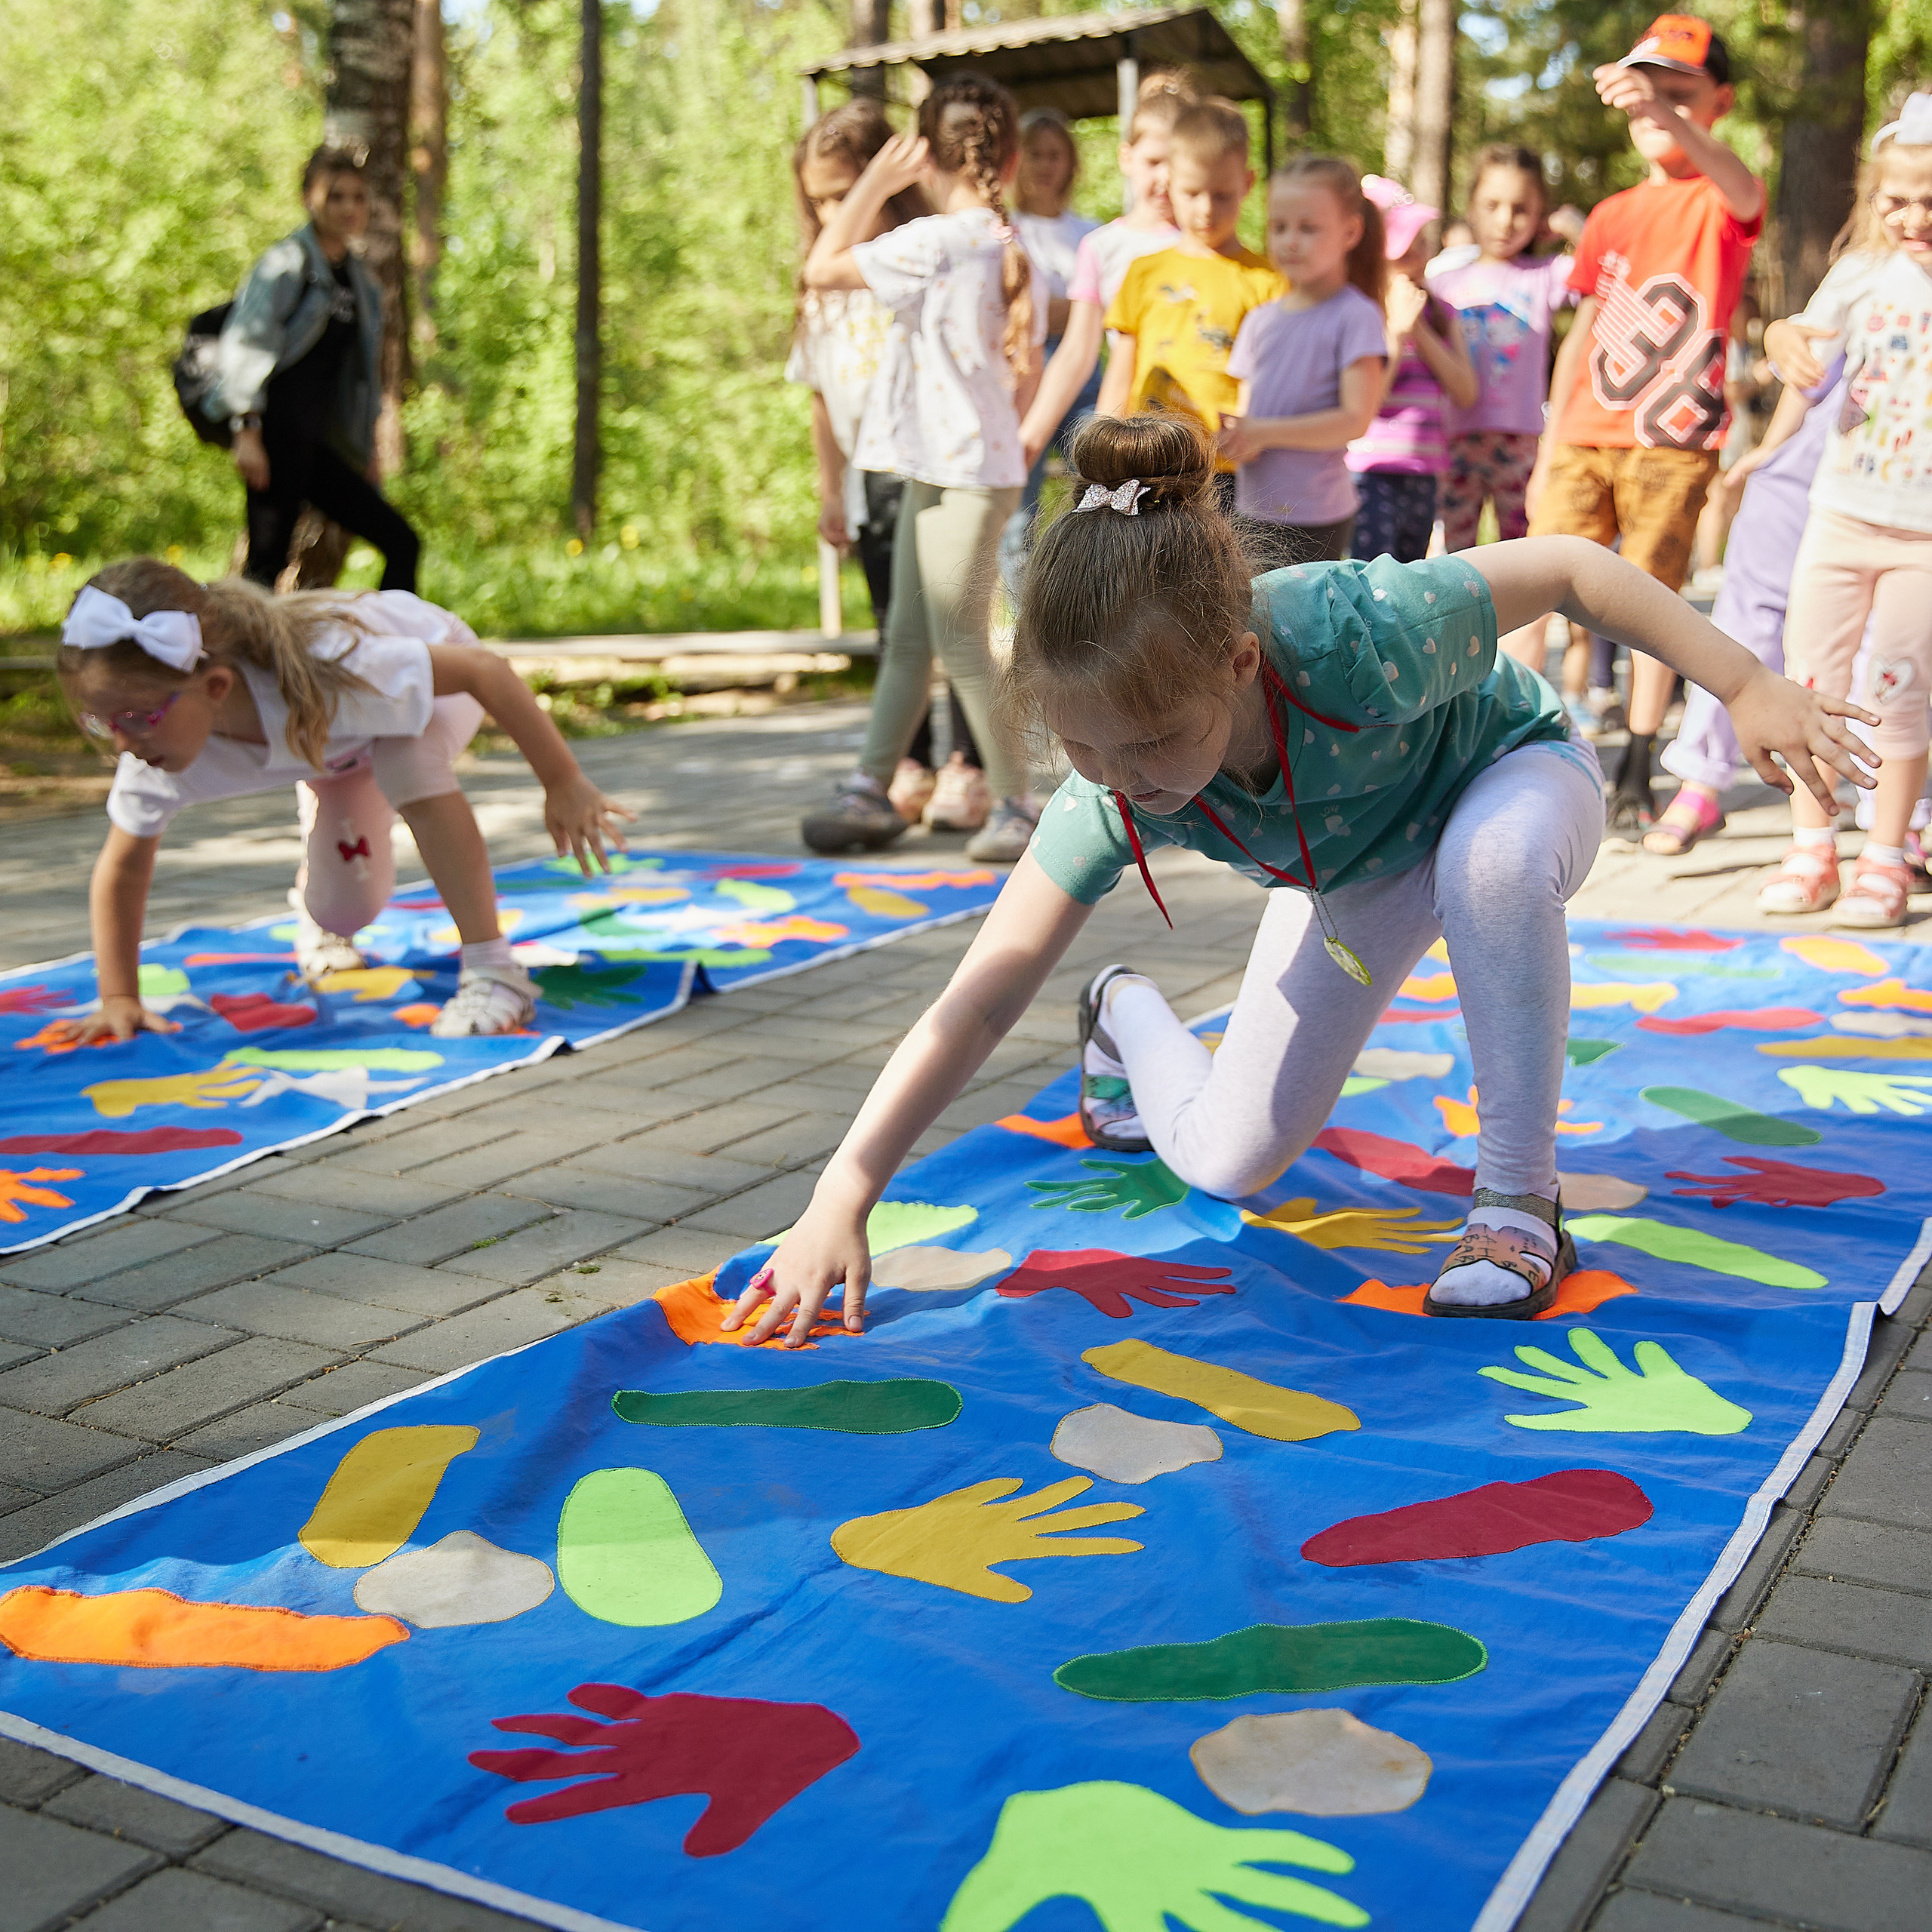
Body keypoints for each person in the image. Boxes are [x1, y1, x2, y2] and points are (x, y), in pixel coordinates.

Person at [724, 412, 1873, 1346]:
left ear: (1238, 665)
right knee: (1230, 1160)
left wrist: (1744, 681)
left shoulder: (1354, 629)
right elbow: (976, 997)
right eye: (1087, 752)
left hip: (1508, 777)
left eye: (1156, 743)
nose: (1129, 779)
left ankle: (1519, 1205)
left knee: (1491, 864)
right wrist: (844, 1193)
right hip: (1350, 876)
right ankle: (1124, 1015)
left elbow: (1574, 568)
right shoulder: (1112, 787)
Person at [49, 561, 633, 1044]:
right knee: (342, 912)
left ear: (217, 688)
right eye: (101, 723)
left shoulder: (337, 666)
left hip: (436, 684)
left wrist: (562, 781)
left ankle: (493, 969)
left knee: (406, 763)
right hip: (335, 751)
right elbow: (122, 868)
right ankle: (327, 829)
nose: (122, 743)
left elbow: (484, 670)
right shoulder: (154, 754)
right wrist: (119, 997)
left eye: (136, 718)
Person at [1506, 14, 1764, 838]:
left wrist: (1671, 111)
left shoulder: (1719, 199)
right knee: (1530, 587)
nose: (1655, 107)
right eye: (1643, 91)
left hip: (1671, 442)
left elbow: (1748, 193)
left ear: (1716, 102)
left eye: (1678, 92)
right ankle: (1516, 745)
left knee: (1653, 604)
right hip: (1585, 432)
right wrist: (1549, 445)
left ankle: (1635, 765)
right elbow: (1583, 328)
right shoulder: (1611, 213)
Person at [797, 73, 1047, 865]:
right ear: (1005, 154)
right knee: (909, 632)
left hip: (964, 465)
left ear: (925, 151)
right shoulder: (994, 238)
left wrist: (878, 178)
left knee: (956, 633)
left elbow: (821, 267)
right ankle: (872, 786)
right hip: (939, 460)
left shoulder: (941, 239)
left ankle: (1016, 801)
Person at [1751, 91, 1932, 928]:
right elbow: (1802, 353)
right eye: (1896, 199)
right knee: (1810, 678)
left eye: (1930, 200)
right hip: (1841, 515)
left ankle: (1885, 856)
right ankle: (1811, 846)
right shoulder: (1860, 274)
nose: (1912, 216)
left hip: (1921, 536)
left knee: (1898, 689)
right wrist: (1775, 342)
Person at [784, 100, 986, 835]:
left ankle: (973, 765)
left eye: (849, 190)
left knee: (953, 620)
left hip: (932, 462)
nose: (837, 209)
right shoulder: (822, 292)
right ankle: (908, 763)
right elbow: (818, 396)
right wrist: (829, 488)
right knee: (892, 625)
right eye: (823, 201)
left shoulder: (916, 254)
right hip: (869, 475)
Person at [211, 146, 420, 595]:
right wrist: (246, 431)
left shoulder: (361, 282)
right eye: (336, 197)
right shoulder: (286, 264)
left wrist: (367, 450)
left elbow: (361, 378)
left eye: (359, 198)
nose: (349, 208)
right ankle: (233, 664)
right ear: (310, 199)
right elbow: (250, 341)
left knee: (403, 542)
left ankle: (398, 658)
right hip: (276, 440)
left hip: (320, 449)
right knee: (264, 574)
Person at [1097, 98, 1284, 506]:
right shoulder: (1142, 272)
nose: (1205, 210)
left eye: (1222, 195)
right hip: (1145, 458)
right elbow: (1121, 368)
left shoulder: (1269, 281)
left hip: (1228, 470)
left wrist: (1257, 432)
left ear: (1248, 184)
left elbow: (1274, 376)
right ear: (1170, 182)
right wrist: (1105, 437)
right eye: (1192, 192)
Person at [1017, 72, 1195, 468]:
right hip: (1132, 438)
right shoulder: (1102, 246)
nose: (1165, 177)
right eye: (1153, 162)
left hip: (1207, 448)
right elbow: (1077, 353)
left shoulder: (1207, 243)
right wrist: (1030, 436)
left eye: (1176, 163)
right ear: (1126, 157)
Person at [1218, 155, 1389, 562]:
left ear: (1350, 232)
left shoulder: (1356, 315)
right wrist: (1238, 440)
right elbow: (1247, 419)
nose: (1290, 241)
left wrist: (1263, 432)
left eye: (1308, 228)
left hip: (1315, 516)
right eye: (1279, 227)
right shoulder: (1259, 320)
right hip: (1250, 510)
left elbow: (1355, 419)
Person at [1430, 146, 1577, 556]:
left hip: (1522, 441)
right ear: (1471, 206)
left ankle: (1520, 625)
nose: (1504, 221)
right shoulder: (1444, 281)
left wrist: (1566, 226)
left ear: (1538, 214)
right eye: (1491, 205)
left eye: (1521, 209)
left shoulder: (1547, 275)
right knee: (1454, 557)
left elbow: (1600, 267)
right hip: (1454, 437)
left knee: (1523, 548)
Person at [1346, 177, 1479, 562]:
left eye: (1422, 242)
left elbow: (1466, 392)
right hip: (1368, 472)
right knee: (1369, 578)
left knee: (1407, 583)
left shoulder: (1441, 313)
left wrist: (1419, 332)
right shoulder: (1364, 313)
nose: (1419, 256)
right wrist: (1396, 334)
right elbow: (1369, 396)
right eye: (1405, 250)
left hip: (1423, 472)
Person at [996, 109, 1100, 594]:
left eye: (1054, 155)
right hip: (1022, 371)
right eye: (1034, 154)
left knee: (1104, 487)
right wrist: (1067, 309)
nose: (1044, 165)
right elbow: (1009, 312)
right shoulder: (1005, 230)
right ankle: (1025, 629)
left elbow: (1092, 317)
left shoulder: (1090, 233)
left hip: (1083, 374)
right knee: (1020, 507)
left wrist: (1050, 309)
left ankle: (1095, 600)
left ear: (1070, 163)